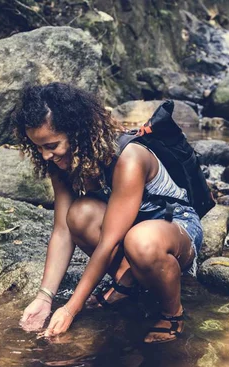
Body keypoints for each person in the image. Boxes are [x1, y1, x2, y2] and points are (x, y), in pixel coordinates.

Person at [14, 83, 204, 344]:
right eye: (38, 147)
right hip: (130, 229)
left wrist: (71, 308)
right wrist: (44, 297)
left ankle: (173, 314)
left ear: (77, 133)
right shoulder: (61, 162)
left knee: (141, 241)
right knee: (79, 214)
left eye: (51, 145)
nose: (46, 155)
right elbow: (62, 232)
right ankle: (128, 283)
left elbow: (109, 243)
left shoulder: (129, 158)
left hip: (173, 227)